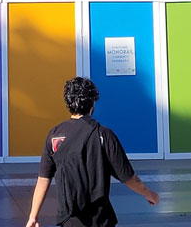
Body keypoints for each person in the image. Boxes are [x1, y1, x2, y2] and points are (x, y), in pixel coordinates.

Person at [26, 77, 158, 227]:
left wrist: (33, 216)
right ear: (92, 102)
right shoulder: (103, 134)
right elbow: (128, 177)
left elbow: (43, 179)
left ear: (68, 102)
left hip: (69, 220)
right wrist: (149, 194)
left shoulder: (54, 135)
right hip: (100, 219)